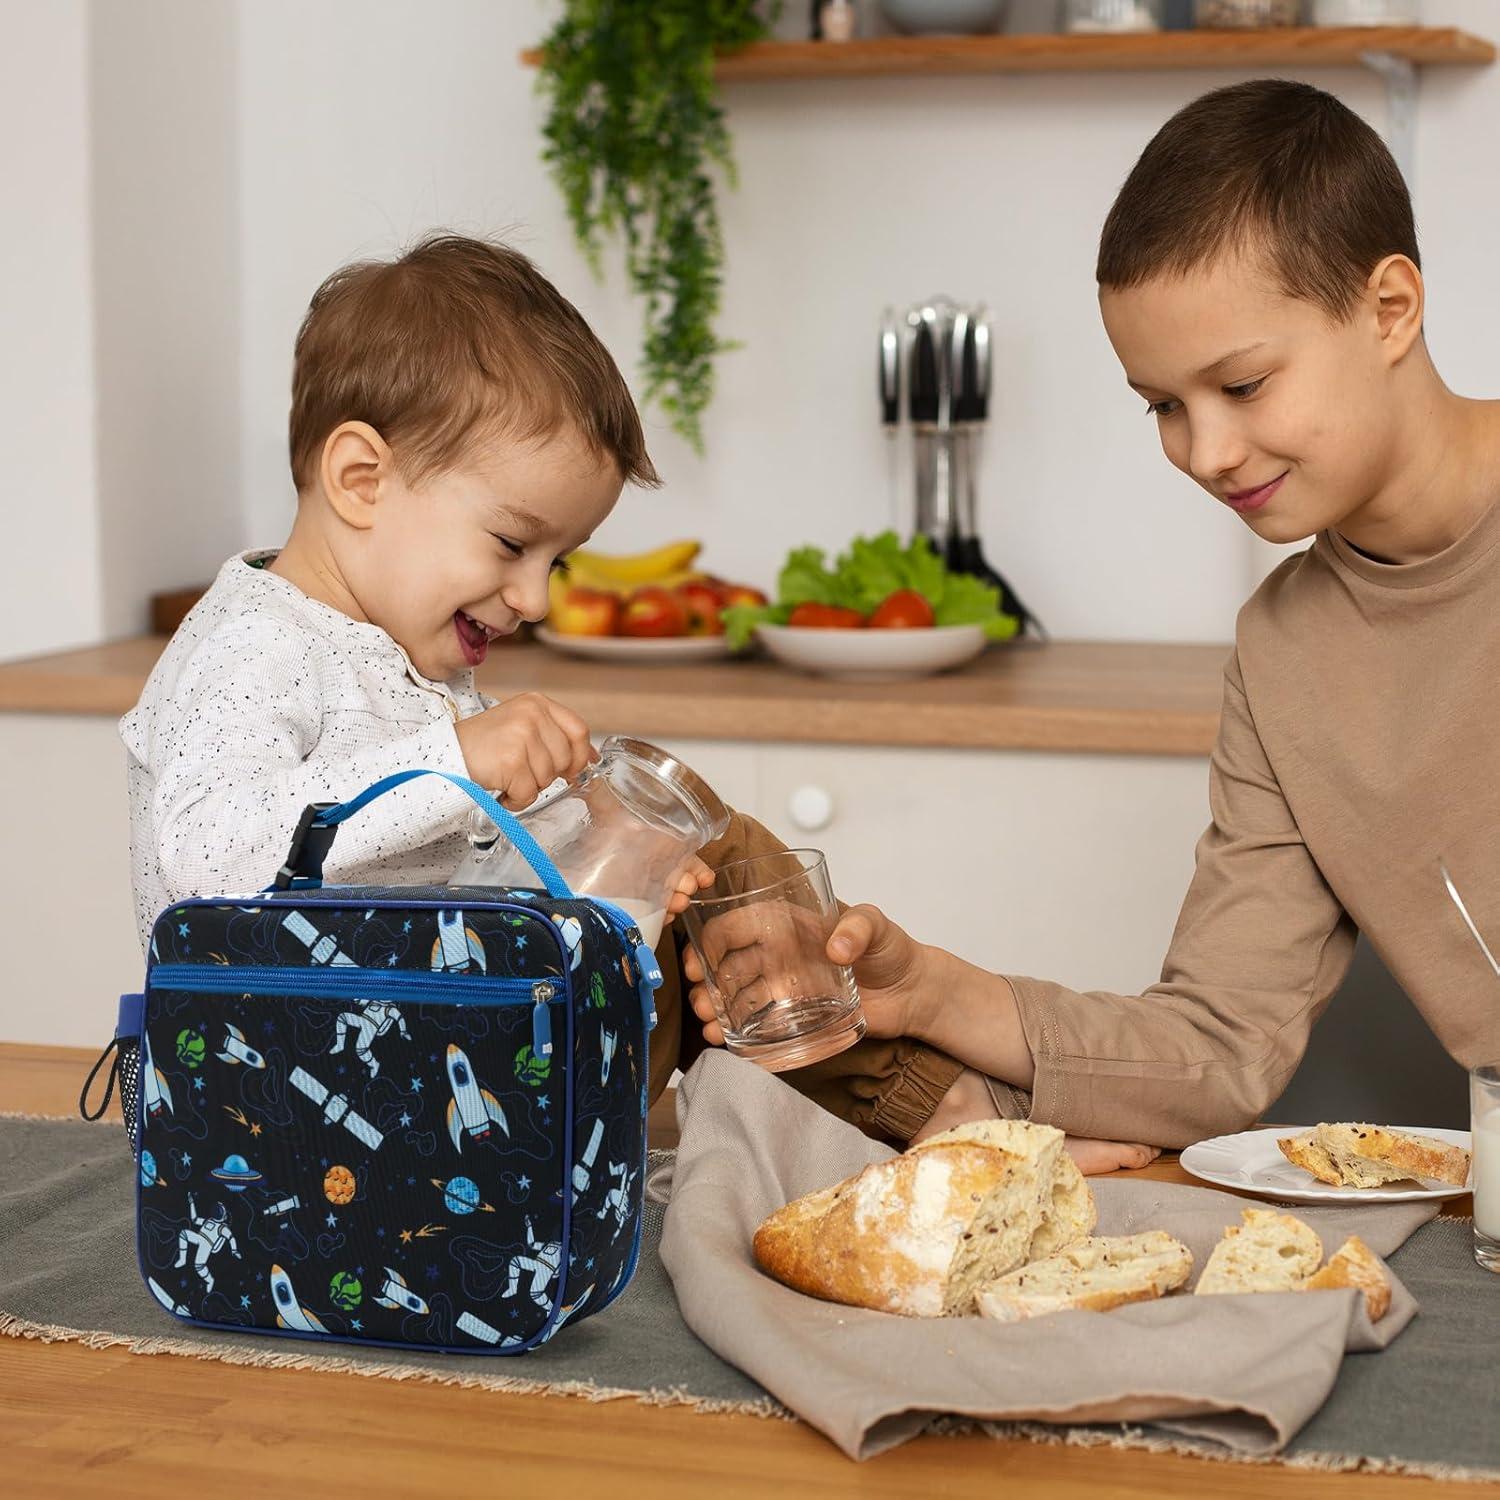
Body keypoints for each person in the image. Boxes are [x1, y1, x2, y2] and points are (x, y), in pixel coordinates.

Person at [687, 79, 1500, 1155]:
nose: (1205, 453)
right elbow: (1218, 1047)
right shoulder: (1285, 652)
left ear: (1390, 308)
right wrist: (928, 991)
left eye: (1244, 387)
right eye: (1164, 405)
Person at [121, 232, 1006, 1156]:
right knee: (715, 877)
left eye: (559, 561)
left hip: (437, 1064)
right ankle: (936, 1113)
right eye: (511, 545)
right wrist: (458, 758)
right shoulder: (252, 645)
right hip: (303, 1108)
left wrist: (591, 829)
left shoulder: (407, 652)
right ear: (360, 480)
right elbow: (206, 864)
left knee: (700, 845)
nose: (536, 599)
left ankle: (924, 1104)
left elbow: (444, 863)